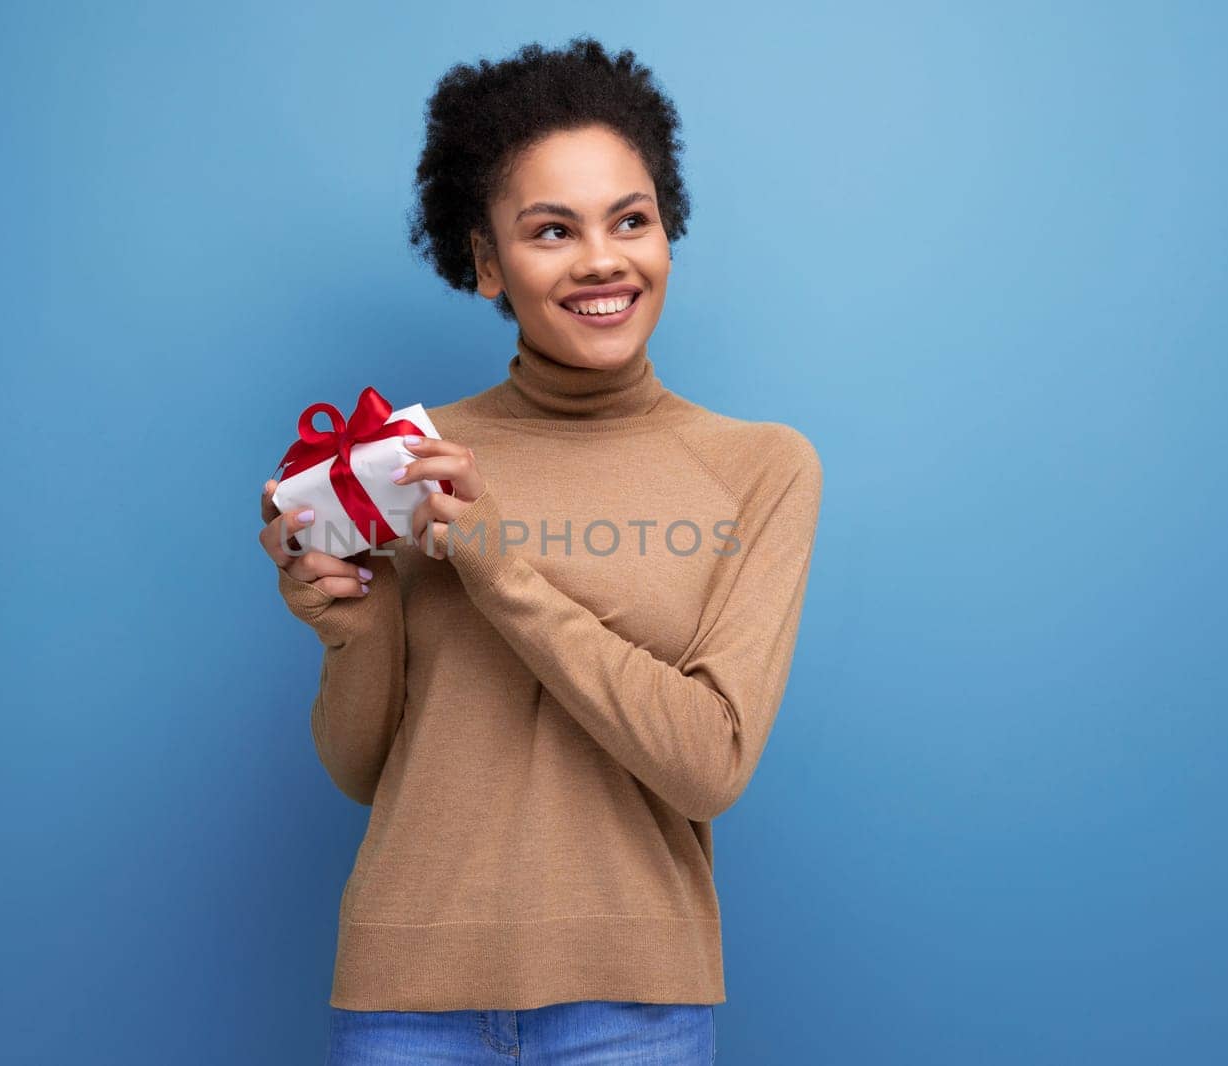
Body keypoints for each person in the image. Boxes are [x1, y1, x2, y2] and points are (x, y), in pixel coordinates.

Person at [258, 36, 822, 1065]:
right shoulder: (409, 463)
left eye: (631, 220)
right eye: (551, 230)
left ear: (666, 232)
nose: (602, 259)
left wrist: (502, 569)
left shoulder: (759, 467)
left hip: (631, 1007)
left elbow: (708, 762)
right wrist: (354, 629)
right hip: (403, 997)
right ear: (485, 265)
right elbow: (360, 769)